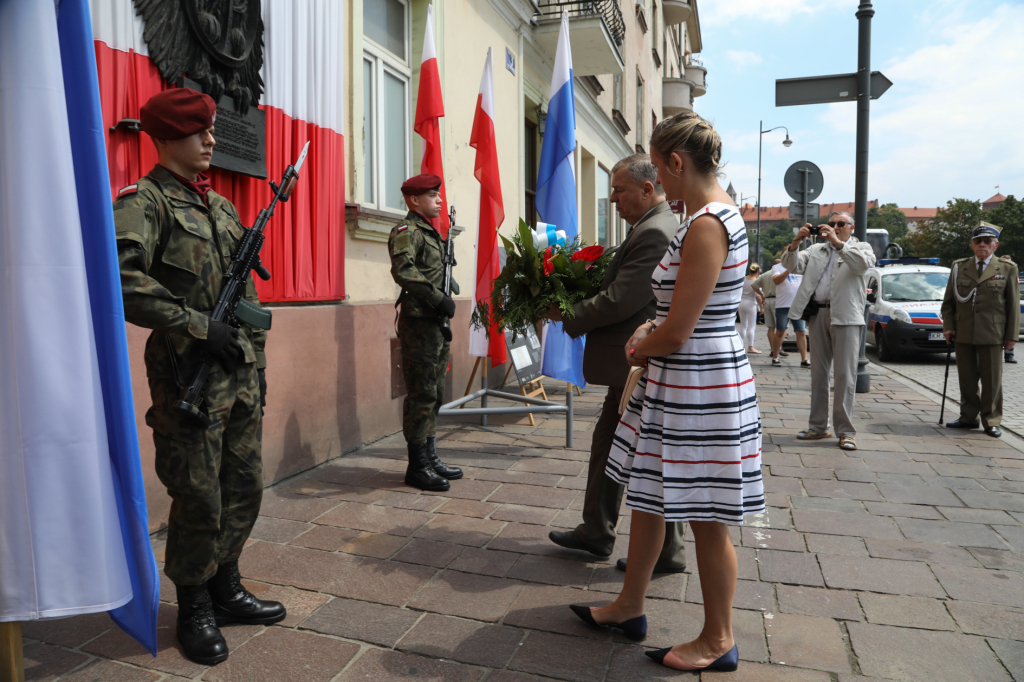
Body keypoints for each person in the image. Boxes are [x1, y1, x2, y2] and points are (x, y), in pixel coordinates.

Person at [569, 111, 762, 673]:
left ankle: (718, 637)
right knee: (651, 492)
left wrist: (641, 345)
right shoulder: (711, 216)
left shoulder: (707, 224)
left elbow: (682, 327)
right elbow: (682, 320)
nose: (658, 181)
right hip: (686, 376)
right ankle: (630, 604)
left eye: (658, 168)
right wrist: (650, 335)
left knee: (707, 514)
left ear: (676, 163)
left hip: (696, 381)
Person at [113, 88, 285, 665]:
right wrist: (193, 324)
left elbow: (248, 294)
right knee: (197, 497)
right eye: (198, 132)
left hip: (236, 372)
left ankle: (225, 586)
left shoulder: (221, 207)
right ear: (165, 140)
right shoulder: (146, 203)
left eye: (211, 129)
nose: (212, 140)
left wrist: (254, 361)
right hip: (187, 376)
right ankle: (194, 606)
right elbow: (121, 279)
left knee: (245, 485)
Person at [545, 154, 686, 573]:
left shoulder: (656, 231)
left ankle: (654, 546)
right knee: (618, 446)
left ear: (648, 188)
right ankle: (601, 531)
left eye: (619, 190)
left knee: (642, 455)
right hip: (635, 364)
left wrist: (565, 313)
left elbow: (622, 298)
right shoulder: (649, 226)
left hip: (640, 365)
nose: (612, 199)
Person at [388, 174, 463, 490]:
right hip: (419, 323)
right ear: (414, 200)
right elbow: (404, 271)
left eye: (439, 195)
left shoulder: (433, 233)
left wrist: (449, 288)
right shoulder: (406, 232)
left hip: (435, 324)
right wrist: (437, 297)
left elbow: (432, 271)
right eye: (433, 195)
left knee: (434, 392)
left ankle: (430, 457)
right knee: (421, 394)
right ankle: (416, 466)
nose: (439, 200)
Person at [781, 212, 876, 451]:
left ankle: (845, 431)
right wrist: (795, 243)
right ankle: (818, 426)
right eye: (831, 224)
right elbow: (789, 265)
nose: (834, 227)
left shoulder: (861, 247)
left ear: (851, 227)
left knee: (844, 375)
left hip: (846, 316)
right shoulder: (817, 250)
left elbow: (862, 266)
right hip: (818, 314)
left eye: (840, 224)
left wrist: (838, 243)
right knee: (819, 374)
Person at [942, 222, 1020, 438]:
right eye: (978, 241)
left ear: (995, 246)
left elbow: (1013, 305)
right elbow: (948, 303)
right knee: (966, 379)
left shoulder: (1007, 268)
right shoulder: (959, 267)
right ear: (972, 244)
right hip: (963, 332)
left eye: (987, 241)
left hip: (993, 333)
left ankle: (992, 421)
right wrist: (948, 327)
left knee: (992, 381)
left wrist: (1012, 335)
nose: (982, 245)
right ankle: (968, 417)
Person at [770, 260, 808, 367]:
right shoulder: (777, 267)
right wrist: (789, 269)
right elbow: (777, 281)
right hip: (782, 305)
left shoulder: (800, 266)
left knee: (801, 332)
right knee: (780, 331)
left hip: (798, 305)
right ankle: (775, 356)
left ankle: (804, 359)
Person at [752, 259, 788, 357]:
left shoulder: (765, 274)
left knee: (771, 327)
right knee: (783, 328)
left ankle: (773, 349)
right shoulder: (781, 274)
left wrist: (762, 294)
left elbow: (754, 285)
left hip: (767, 301)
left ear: (772, 265)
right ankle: (779, 348)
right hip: (779, 301)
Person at [738, 263, 762, 354]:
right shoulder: (756, 281)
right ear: (758, 271)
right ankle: (751, 347)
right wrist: (761, 307)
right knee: (752, 326)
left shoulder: (743, 279)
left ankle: (740, 345)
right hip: (751, 304)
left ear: (749, 270)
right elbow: (758, 296)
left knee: (743, 325)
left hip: (741, 303)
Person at [1000, 254, 1018, 364]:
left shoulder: (1012, 273)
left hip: (1008, 310)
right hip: (999, 311)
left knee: (1009, 334)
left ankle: (1009, 355)